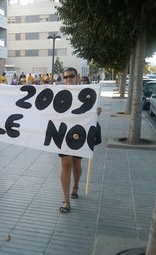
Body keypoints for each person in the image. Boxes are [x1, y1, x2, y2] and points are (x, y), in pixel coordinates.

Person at [58, 67, 101, 214]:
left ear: (77, 77)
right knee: (65, 164)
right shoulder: (58, 93)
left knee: (76, 164)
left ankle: (75, 186)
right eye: (66, 77)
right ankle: (66, 200)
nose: (68, 79)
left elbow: (92, 113)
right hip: (63, 133)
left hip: (80, 133)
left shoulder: (88, 93)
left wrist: (97, 113)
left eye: (71, 76)